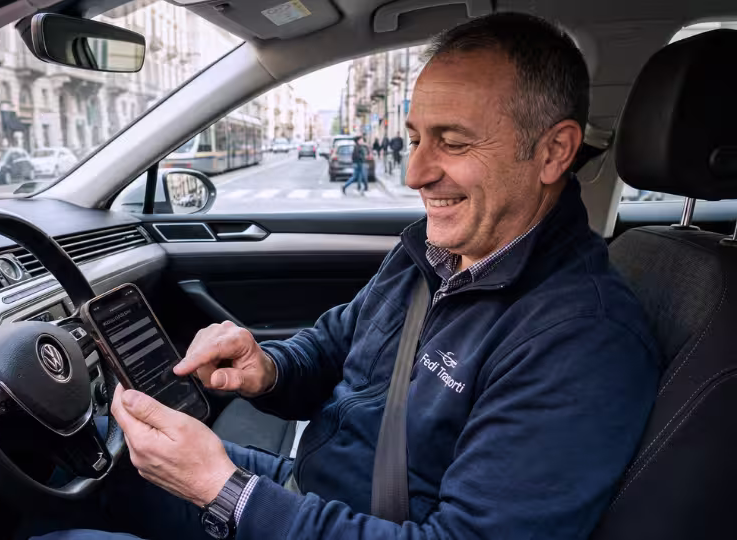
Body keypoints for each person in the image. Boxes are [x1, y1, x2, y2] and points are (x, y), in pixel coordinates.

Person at [42, 13, 660, 540]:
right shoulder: (434, 251)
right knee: (84, 443)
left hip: (326, 515)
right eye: (415, 136)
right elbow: (337, 343)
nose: (416, 172)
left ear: (552, 152)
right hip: (303, 490)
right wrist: (267, 369)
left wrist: (224, 491)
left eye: (452, 142)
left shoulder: (584, 339)